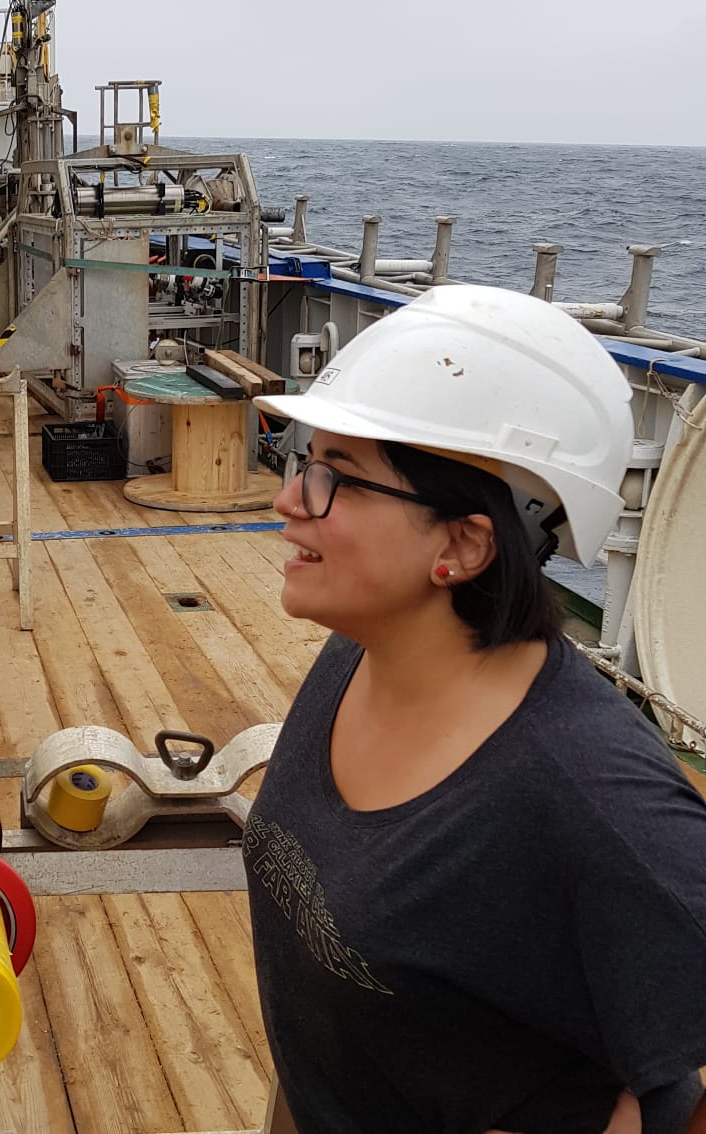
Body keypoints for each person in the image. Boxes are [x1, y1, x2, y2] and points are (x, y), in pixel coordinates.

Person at [246, 285, 706, 1133]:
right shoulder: (357, 655)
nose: (289, 499)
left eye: (336, 478)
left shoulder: (595, 799)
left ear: (462, 544)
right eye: (304, 458)